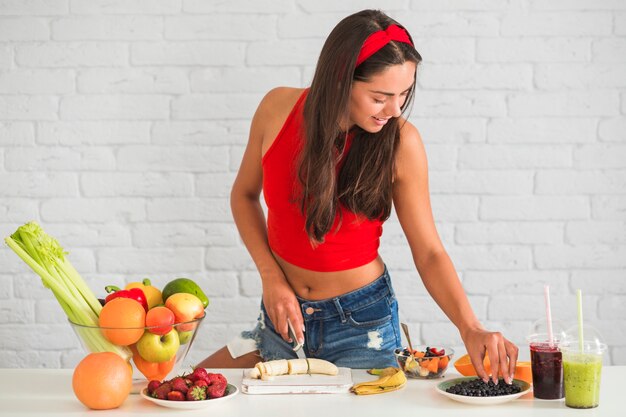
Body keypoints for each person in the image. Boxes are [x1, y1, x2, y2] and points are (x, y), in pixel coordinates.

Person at [197, 9, 518, 383]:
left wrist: (470, 327)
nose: (395, 110)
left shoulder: (402, 142)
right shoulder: (276, 109)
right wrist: (271, 277)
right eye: (380, 97)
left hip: (361, 325)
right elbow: (244, 196)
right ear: (339, 80)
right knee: (191, 387)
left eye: (404, 94)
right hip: (282, 318)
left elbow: (429, 251)